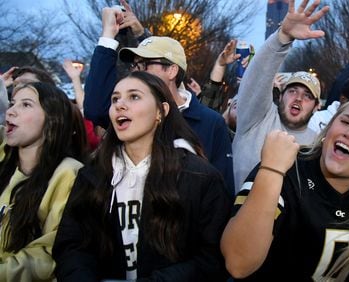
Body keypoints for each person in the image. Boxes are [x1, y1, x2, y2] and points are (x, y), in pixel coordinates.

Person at [53, 71, 231, 281]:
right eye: (115, 99)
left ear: (161, 111)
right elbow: (72, 245)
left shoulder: (200, 177)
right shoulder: (92, 174)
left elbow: (211, 258)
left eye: (134, 96)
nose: (120, 105)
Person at [221, 92, 349, 281]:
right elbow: (238, 262)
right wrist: (271, 169)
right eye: (346, 122)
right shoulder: (286, 167)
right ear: (329, 127)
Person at [84, 0, 235, 194]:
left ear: (172, 70)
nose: (138, 73)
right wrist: (107, 36)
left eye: (145, 65)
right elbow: (95, 109)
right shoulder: (132, 115)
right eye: (135, 66)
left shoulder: (210, 122)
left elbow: (222, 192)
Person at [232, 0, 327, 191]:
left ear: (317, 107)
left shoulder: (317, 148)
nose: (298, 98)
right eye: (293, 91)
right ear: (281, 96)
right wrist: (282, 37)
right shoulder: (256, 119)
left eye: (307, 96)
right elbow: (257, 77)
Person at [0, 82, 84, 281]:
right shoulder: (5, 165)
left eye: (26, 105)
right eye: (12, 103)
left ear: (52, 118)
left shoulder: (68, 173)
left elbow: (49, 252)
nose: (11, 111)